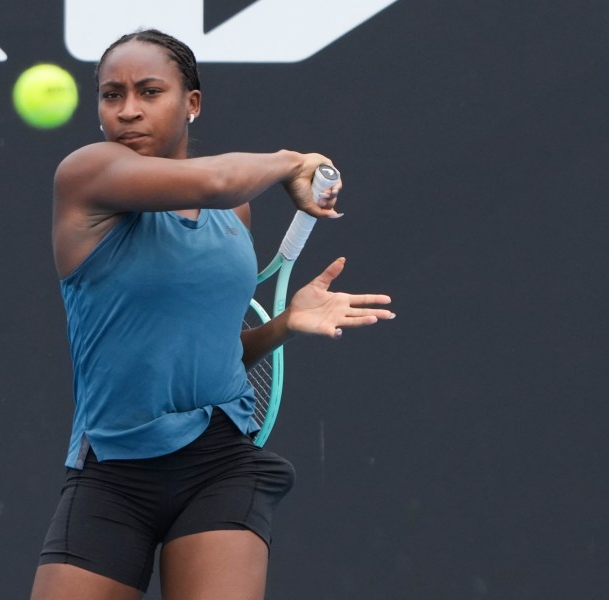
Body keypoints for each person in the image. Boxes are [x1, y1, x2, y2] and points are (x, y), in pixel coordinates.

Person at [30, 29, 395, 600]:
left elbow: (217, 348)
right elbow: (221, 179)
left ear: (191, 104)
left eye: (150, 92)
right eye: (112, 95)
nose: (128, 111)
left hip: (218, 466)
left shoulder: (235, 217)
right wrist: (294, 161)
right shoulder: (87, 173)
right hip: (111, 470)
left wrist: (282, 325)